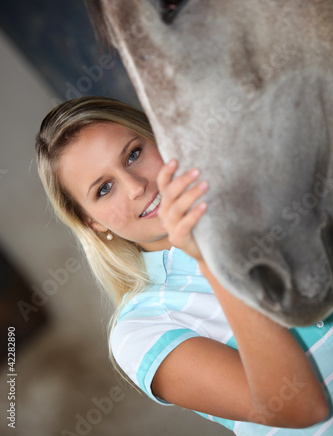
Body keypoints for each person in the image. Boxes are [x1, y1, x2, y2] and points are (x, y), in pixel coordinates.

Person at [35, 96, 332, 435]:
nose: (136, 187)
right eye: (104, 189)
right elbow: (304, 407)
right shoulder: (141, 329)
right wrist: (211, 260)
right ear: (92, 222)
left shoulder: (281, 203)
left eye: (134, 154)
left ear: (161, 137)